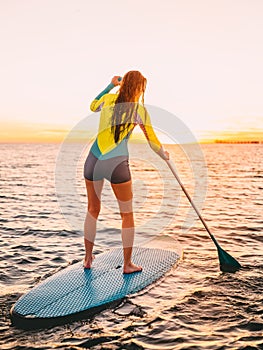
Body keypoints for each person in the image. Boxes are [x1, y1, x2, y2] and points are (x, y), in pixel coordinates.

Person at [83, 70, 169, 274]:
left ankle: (87, 258)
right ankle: (128, 264)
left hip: (94, 160)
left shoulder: (108, 99)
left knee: (92, 210)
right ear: (139, 88)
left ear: (123, 85)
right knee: (127, 214)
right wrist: (163, 154)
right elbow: (152, 142)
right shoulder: (139, 110)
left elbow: (92, 106)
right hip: (117, 164)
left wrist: (110, 85)